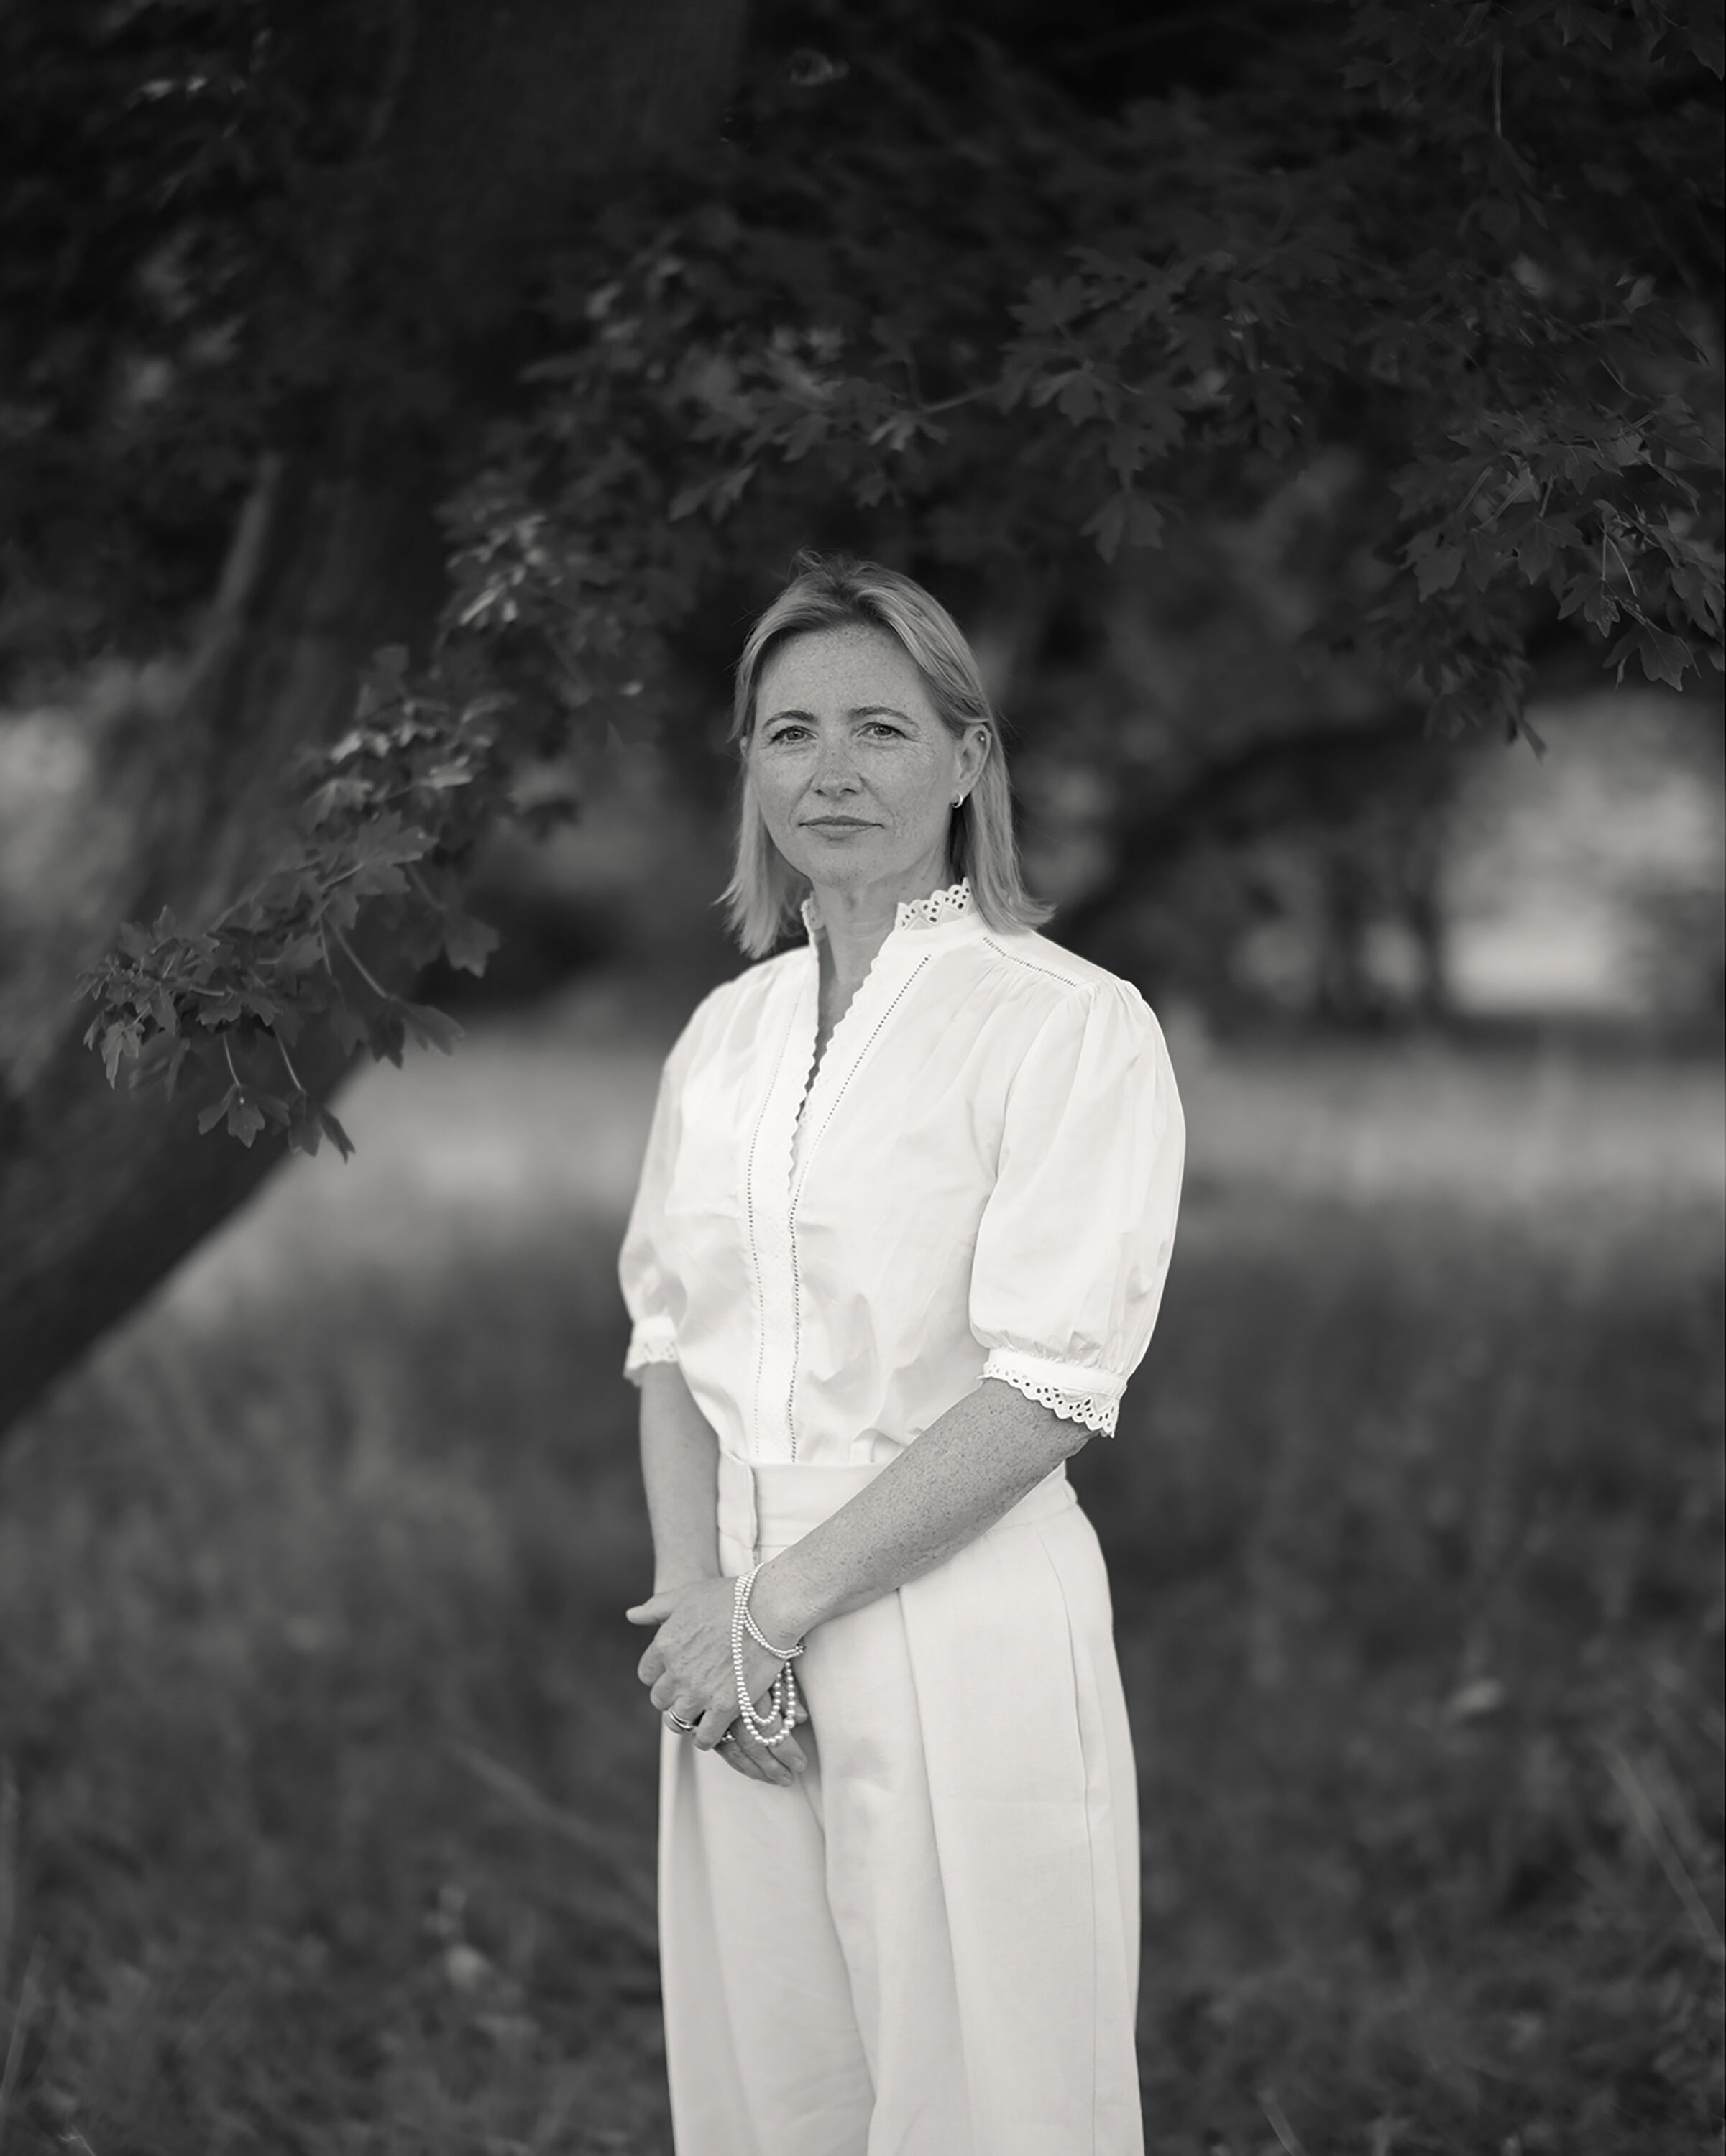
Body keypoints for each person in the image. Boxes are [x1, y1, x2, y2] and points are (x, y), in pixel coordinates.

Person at [620, 554, 1184, 2156]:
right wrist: (701, 1616)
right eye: (790, 732)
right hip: (729, 1645)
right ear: (749, 766)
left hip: (955, 1607)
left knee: (989, 2101)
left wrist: (780, 1609)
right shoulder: (724, 1035)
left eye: (880, 727)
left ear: (965, 758)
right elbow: (669, 1344)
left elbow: (1048, 1387)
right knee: (777, 2096)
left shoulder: (1064, 1024)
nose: (834, 770)